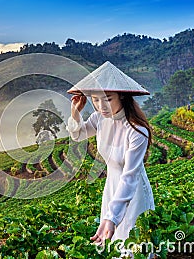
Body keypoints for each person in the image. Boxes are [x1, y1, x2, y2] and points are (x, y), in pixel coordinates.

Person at [66, 61, 155, 245]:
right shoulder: (99, 119)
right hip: (111, 188)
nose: (101, 106)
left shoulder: (137, 131)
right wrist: (75, 113)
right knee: (114, 246)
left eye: (107, 99)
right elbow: (78, 134)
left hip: (133, 191)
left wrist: (112, 216)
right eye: (95, 100)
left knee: (133, 245)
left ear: (121, 96)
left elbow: (130, 176)